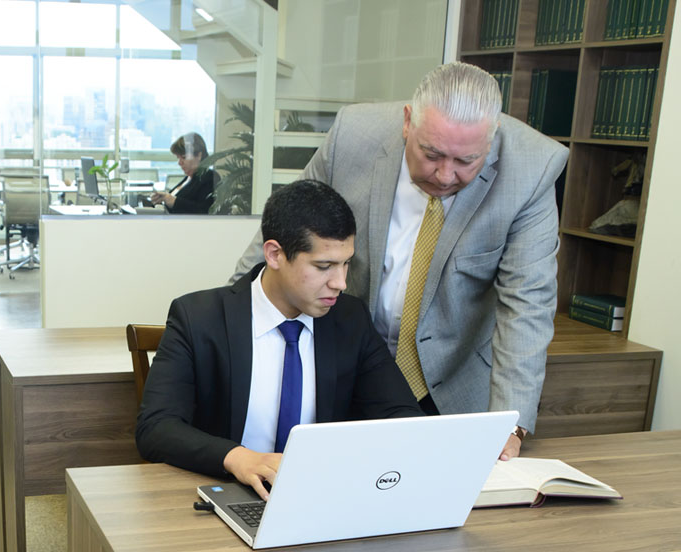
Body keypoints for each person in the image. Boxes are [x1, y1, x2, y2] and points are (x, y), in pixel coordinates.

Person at [230, 62, 568, 461]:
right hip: (346, 368)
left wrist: (509, 423)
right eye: (432, 154)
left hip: (453, 384)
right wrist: (229, 324)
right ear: (408, 122)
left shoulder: (533, 168)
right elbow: (285, 229)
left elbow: (528, 303)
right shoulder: (353, 136)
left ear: (492, 138)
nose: (445, 176)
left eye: (466, 162)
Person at [136, 180, 423, 499]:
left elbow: (403, 417)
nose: (340, 282)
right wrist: (237, 457)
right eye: (323, 266)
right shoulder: (199, 318)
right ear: (274, 254)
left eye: (346, 264)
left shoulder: (349, 319)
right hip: (226, 494)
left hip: (320, 498)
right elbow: (157, 428)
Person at [148, 132, 218, 214]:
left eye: (184, 157)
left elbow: (204, 211)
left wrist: (173, 201)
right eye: (178, 158)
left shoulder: (209, 178)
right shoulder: (189, 178)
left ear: (199, 155)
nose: (179, 163)